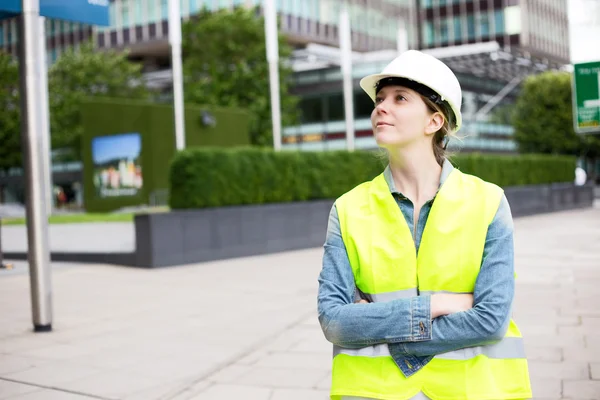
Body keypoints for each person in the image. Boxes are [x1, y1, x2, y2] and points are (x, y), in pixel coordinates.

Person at [317, 50, 532, 400]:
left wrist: (386, 332)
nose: (381, 108)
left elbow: (490, 320)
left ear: (434, 122)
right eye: (380, 99)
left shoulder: (489, 202)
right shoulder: (348, 208)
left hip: (472, 390)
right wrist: (435, 306)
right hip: (374, 393)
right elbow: (335, 322)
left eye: (400, 98)